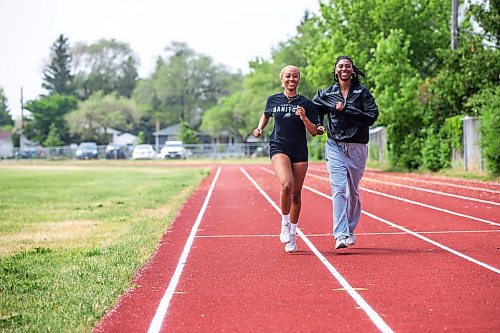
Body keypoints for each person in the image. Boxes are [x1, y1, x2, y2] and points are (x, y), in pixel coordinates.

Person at [253, 65, 322, 253]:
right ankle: (284, 223)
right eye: (288, 76)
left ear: (299, 79)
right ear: (281, 78)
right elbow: (266, 115)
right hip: (279, 147)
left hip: (299, 150)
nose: (292, 79)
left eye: (295, 76)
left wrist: (304, 118)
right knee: (286, 184)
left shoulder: (307, 103)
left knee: (296, 195)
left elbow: (315, 132)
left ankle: (293, 233)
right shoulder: (273, 99)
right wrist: (260, 128)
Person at [312, 55, 379, 250]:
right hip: (335, 145)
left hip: (357, 146)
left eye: (347, 66)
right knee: (339, 189)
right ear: (335, 71)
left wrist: (346, 109)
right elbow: (315, 108)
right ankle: (340, 234)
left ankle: (349, 229)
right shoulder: (327, 94)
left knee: (353, 192)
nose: (344, 69)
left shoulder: (362, 93)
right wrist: (317, 123)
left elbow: (371, 116)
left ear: (352, 70)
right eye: (340, 66)